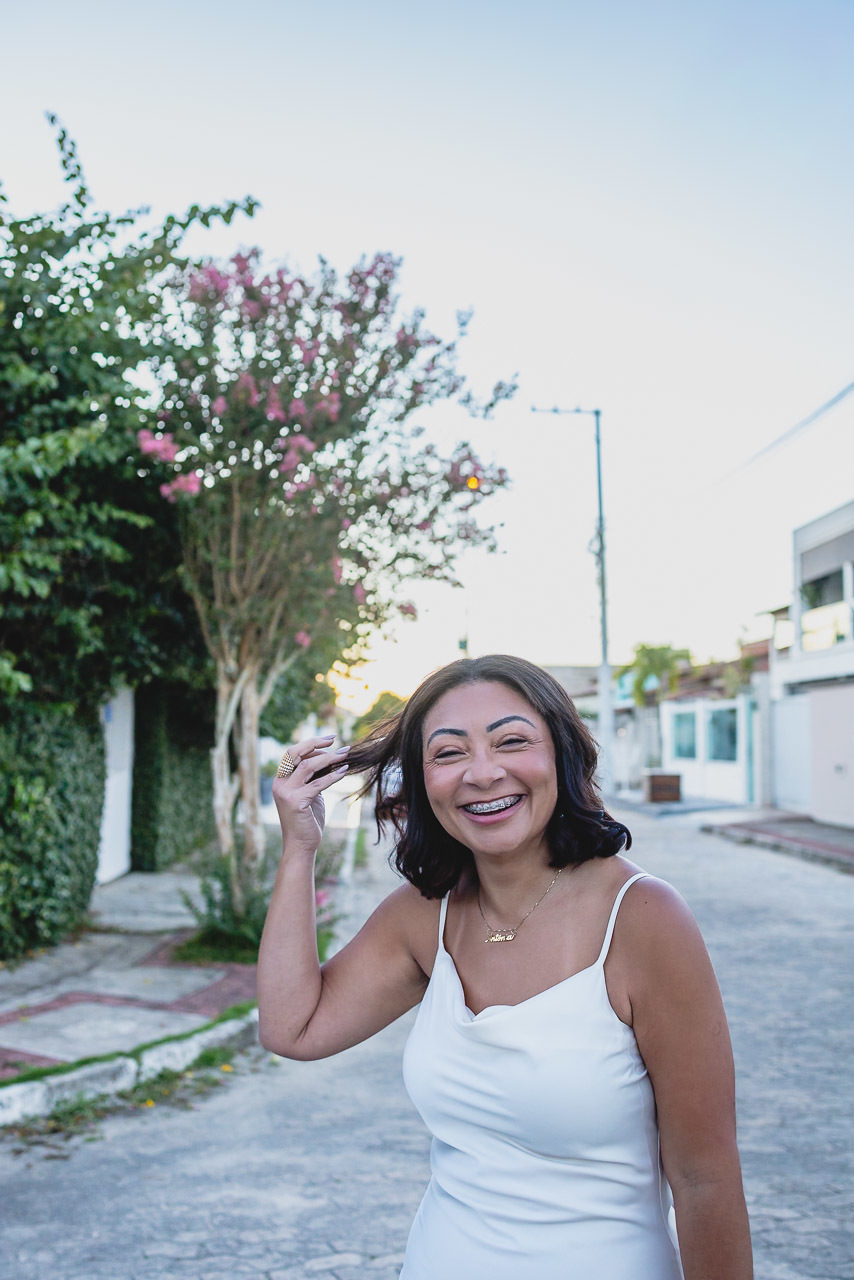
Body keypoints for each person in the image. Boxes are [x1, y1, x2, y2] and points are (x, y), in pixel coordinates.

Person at [257, 655, 753, 1280]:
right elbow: (292, 1028)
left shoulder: (644, 918)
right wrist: (299, 847)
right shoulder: (423, 916)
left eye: (511, 741)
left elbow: (704, 1178)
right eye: (448, 753)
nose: (483, 774)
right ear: (422, 779)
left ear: (560, 755)